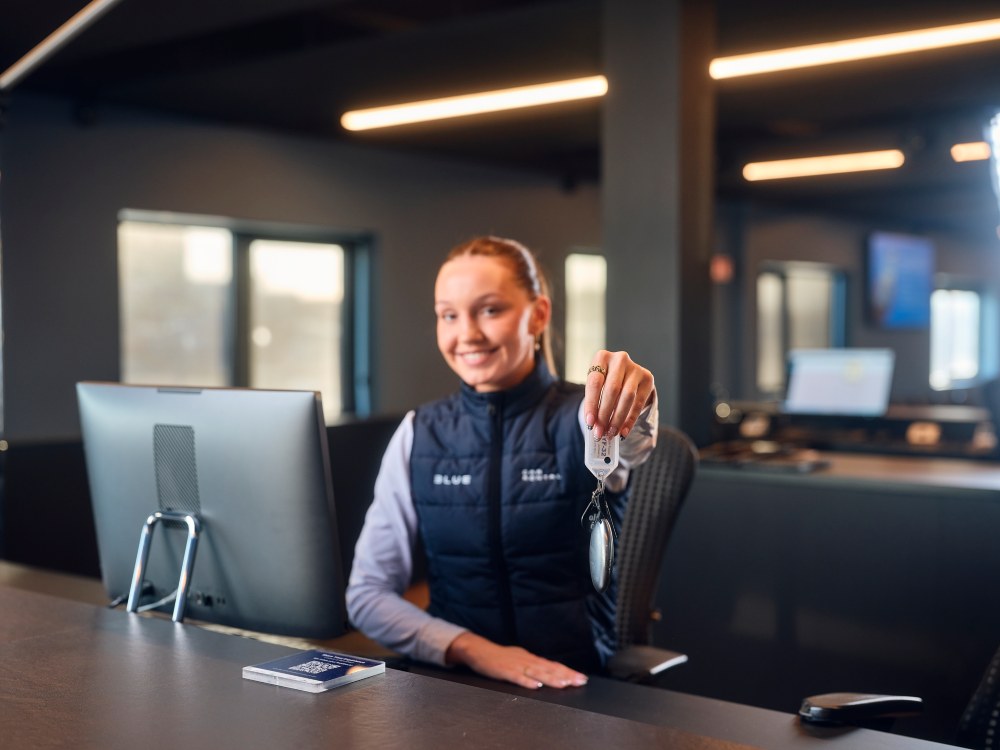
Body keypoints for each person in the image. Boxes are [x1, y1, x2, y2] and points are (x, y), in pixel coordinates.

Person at [346, 235, 658, 690]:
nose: (467, 333)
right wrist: (474, 650)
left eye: (490, 309)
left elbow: (636, 445)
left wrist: (640, 401)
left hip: (571, 682)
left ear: (539, 315)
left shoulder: (586, 418)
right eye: (449, 315)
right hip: (454, 684)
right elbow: (367, 595)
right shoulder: (419, 432)